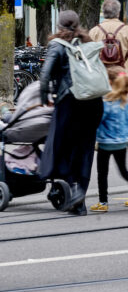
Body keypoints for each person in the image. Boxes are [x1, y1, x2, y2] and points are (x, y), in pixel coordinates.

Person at [37, 11, 103, 215]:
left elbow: (45, 76)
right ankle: (79, 198)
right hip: (93, 102)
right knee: (85, 150)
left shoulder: (57, 45)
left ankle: (73, 189)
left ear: (59, 26)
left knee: (62, 148)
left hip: (70, 102)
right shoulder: (86, 42)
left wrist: (44, 99)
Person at [91, 68, 128, 212]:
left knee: (102, 173)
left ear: (110, 82)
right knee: (124, 171)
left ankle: (103, 202)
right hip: (123, 142)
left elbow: (99, 120)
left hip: (105, 142)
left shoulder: (106, 100)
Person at [89, 0, 128, 87]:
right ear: (118, 13)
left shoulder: (94, 31)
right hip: (123, 76)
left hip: (101, 76)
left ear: (104, 12)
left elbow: (89, 56)